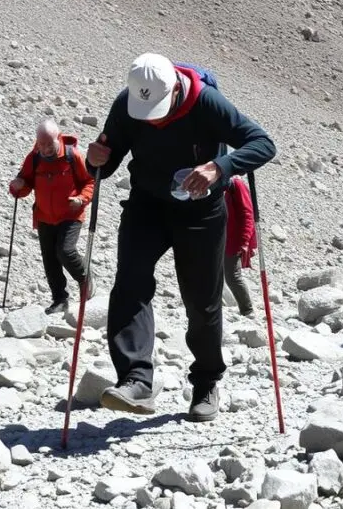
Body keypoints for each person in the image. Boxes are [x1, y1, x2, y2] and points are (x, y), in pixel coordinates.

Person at [86, 52, 276, 422]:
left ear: (175, 89)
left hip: (201, 212)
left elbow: (262, 144)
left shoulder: (207, 102)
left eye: (158, 110)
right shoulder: (128, 103)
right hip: (146, 205)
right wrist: (95, 159)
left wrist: (219, 167)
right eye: (146, 112)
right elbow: (106, 164)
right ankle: (136, 380)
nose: (152, 119)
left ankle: (206, 382)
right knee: (129, 285)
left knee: (202, 302)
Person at [8, 119, 96, 314]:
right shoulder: (34, 158)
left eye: (50, 144)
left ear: (59, 138)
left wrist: (81, 199)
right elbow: (25, 183)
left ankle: (84, 278)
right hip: (44, 216)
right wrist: (17, 187)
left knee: (65, 251)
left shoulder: (73, 156)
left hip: (71, 213)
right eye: (42, 144)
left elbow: (89, 181)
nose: (46, 149)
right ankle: (59, 299)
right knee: (50, 259)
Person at [224, 176, 256, 317]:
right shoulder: (223, 184)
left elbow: (247, 214)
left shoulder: (236, 185)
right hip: (221, 238)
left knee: (233, 275)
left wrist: (244, 241)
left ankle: (247, 310)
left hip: (233, 240)